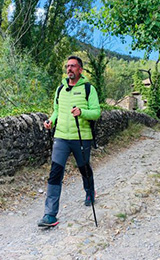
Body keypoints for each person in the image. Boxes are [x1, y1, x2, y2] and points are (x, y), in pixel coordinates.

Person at [38, 55, 101, 227]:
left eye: (73, 66)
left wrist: (82, 112)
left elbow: (96, 112)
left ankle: (90, 191)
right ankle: (49, 215)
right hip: (61, 137)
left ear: (80, 69)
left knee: (84, 168)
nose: (69, 69)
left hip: (82, 137)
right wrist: (50, 121)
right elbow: (57, 111)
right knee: (55, 173)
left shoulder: (89, 89)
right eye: (67, 66)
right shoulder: (60, 89)